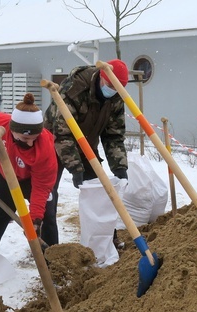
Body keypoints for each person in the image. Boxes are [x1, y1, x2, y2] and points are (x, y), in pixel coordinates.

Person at [43, 58, 130, 246]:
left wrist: (120, 166)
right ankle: (49, 249)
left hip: (85, 144)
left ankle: (106, 240)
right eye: (109, 86)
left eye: (116, 89)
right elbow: (62, 131)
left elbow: (113, 135)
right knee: (48, 195)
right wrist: (75, 167)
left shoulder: (115, 97)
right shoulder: (76, 87)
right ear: (101, 77)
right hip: (52, 141)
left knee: (101, 190)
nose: (111, 91)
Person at [0, 93, 57, 251]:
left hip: (32, 181)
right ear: (13, 130)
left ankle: (53, 260)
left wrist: (34, 218)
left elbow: (42, 186)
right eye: (25, 138)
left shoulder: (45, 147)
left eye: (34, 139)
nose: (30, 144)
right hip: (3, 177)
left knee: (46, 217)